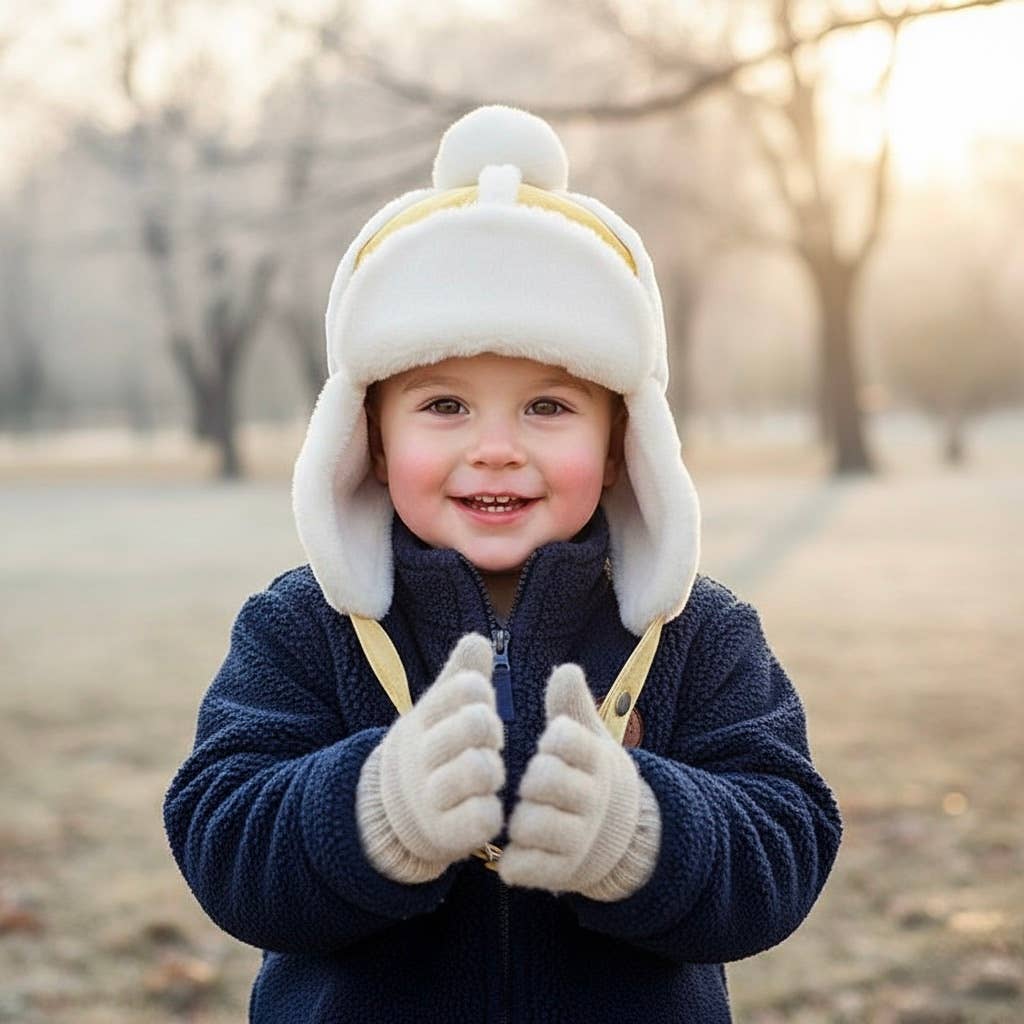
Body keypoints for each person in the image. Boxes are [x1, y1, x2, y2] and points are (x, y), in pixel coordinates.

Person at [164, 105, 842, 1023]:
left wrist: (640, 828)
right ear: (369, 439)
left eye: (548, 407)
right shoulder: (302, 625)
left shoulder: (697, 631)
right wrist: (376, 808)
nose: (495, 448)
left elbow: (785, 843)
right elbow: (223, 839)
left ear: (621, 444)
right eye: (444, 405)